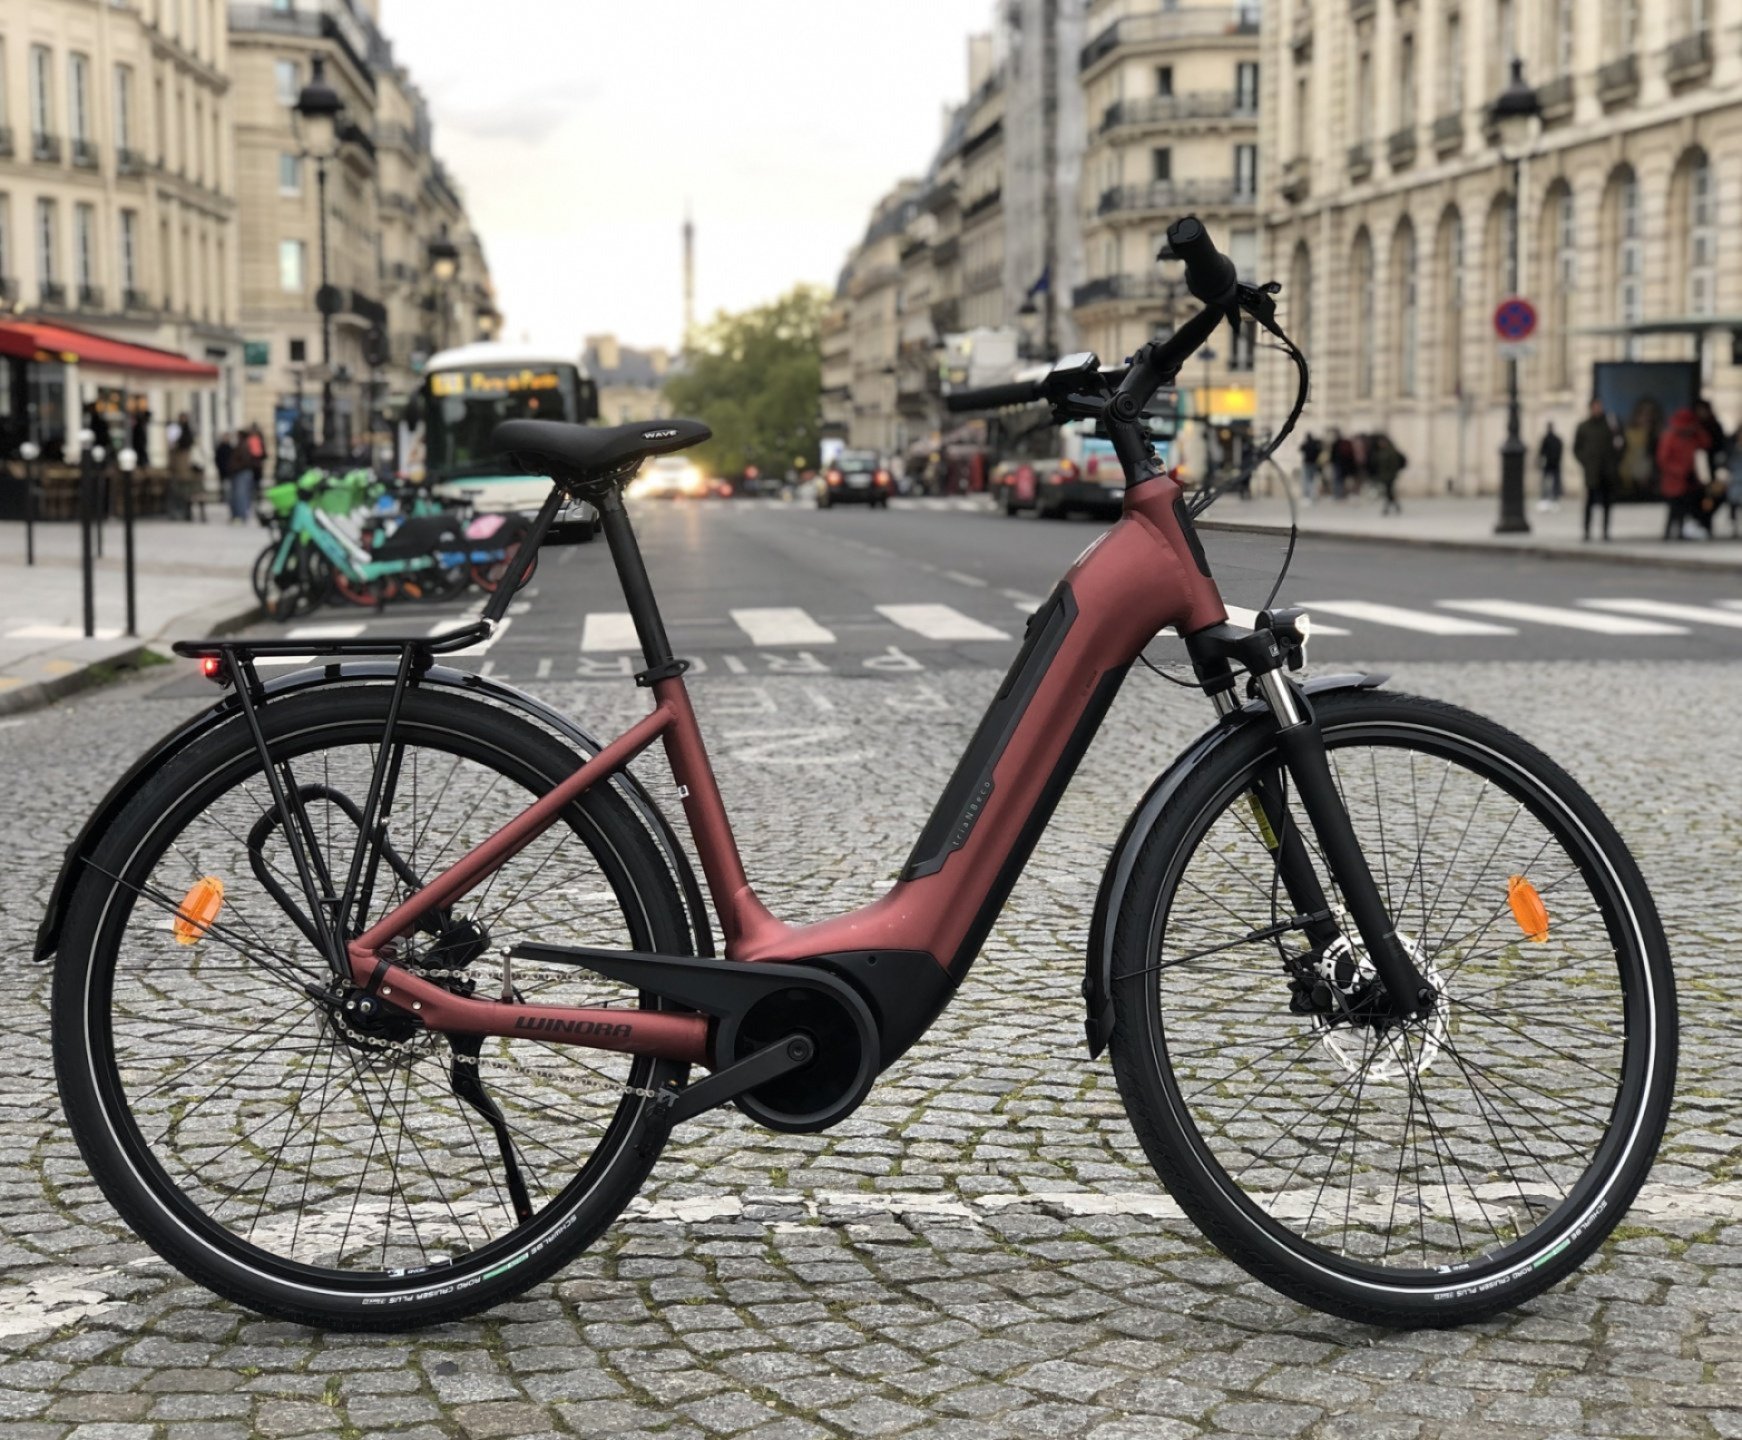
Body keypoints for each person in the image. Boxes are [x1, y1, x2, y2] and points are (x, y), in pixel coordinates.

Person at [1657, 403, 1710, 540]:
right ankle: (1668, 534)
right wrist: (1680, 471)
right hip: (1674, 481)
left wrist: (1698, 430)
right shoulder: (1669, 437)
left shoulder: (1693, 436)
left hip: (1688, 481)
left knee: (1686, 508)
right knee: (1674, 510)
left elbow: (1706, 443)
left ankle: (1680, 532)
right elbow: (1663, 460)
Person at [1573, 398, 1620, 542]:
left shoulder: (1610, 425)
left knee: (1607, 503)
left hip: (1607, 470)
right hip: (1592, 470)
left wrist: (1615, 461)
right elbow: (1576, 448)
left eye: (1599, 406)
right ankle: (1587, 531)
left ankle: (1605, 531)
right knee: (1590, 502)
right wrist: (1586, 462)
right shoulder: (1584, 427)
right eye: (1595, 407)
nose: (1597, 409)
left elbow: (1619, 443)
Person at [1371, 432, 1406, 514]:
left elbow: (1394, 465)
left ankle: (1387, 508)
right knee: (1389, 492)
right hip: (1384, 475)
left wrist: (1392, 474)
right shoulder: (1380, 452)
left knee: (1388, 492)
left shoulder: (1390, 452)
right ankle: (1395, 506)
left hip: (1390, 476)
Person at [1537, 422, 1563, 510]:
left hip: (1550, 464)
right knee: (1552, 482)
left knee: (1548, 482)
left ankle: (1547, 498)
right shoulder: (1555, 439)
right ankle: (1552, 499)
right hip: (1553, 464)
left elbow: (1541, 452)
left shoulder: (1547, 439)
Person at [1329, 428, 1352, 500]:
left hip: (1337, 464)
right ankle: (1342, 494)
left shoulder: (1335, 443)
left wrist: (1331, 461)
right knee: (1342, 480)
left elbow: (1332, 455)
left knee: (1337, 480)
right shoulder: (1344, 443)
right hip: (1345, 464)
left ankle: (1337, 494)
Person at [1299, 431, 1322, 503]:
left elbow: (1300, 448)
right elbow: (1319, 451)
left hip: (1307, 463)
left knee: (1307, 480)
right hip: (1314, 463)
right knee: (1313, 480)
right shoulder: (1315, 444)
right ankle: (1313, 496)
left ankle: (1308, 496)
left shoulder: (1306, 444)